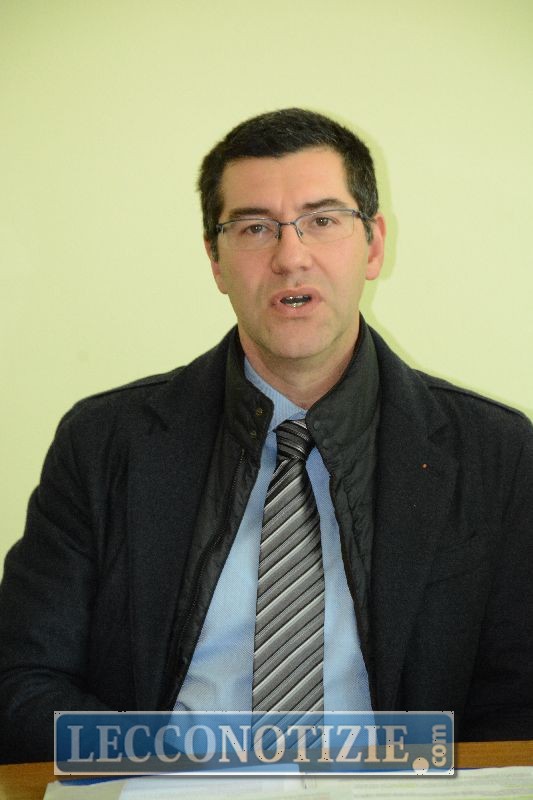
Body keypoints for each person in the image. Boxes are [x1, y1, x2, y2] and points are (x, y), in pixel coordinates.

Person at [0, 108, 531, 764]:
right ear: (216, 261)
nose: (290, 256)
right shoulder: (104, 443)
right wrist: (186, 770)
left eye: (322, 220)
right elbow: (22, 685)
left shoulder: (496, 454)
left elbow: (517, 708)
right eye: (254, 228)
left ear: (373, 245)